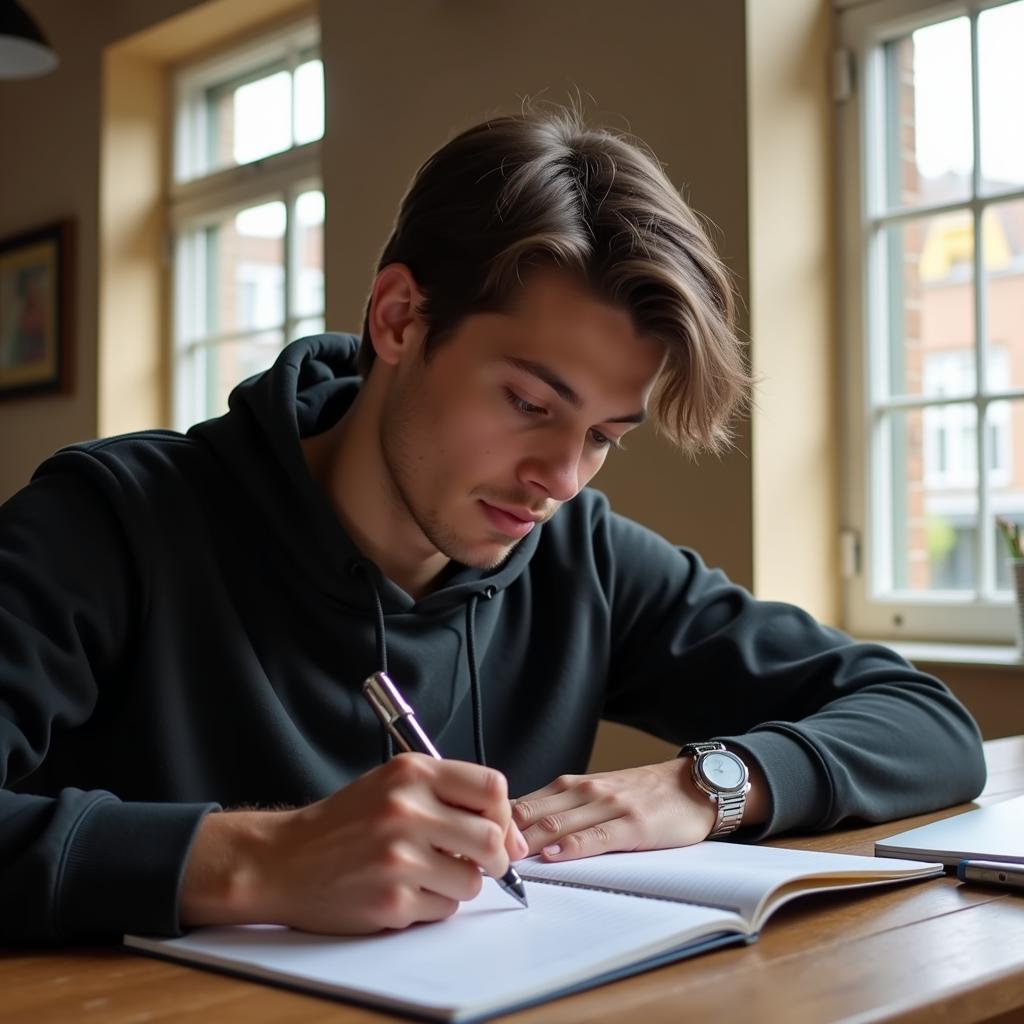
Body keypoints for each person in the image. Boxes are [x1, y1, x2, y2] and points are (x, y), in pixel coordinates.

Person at [0, 108, 985, 946]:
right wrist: (258, 859)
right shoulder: (110, 522)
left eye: (603, 434)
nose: (559, 477)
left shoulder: (578, 555)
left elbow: (924, 722)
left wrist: (709, 785)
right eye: (526, 401)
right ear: (398, 318)